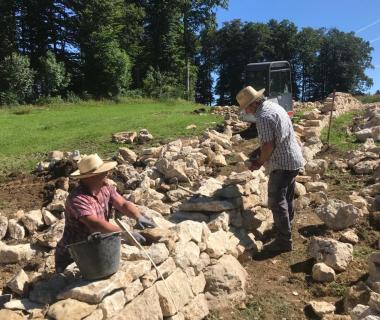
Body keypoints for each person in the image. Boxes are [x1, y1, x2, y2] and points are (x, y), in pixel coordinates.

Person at [55, 154, 156, 272]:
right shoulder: (77, 199)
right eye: (103, 172)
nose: (107, 174)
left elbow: (123, 204)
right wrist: (125, 234)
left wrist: (138, 216)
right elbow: (95, 225)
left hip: (96, 248)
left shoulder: (105, 188)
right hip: (74, 254)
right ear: (91, 177)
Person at [236, 86, 305, 253]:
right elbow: (274, 138)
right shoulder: (274, 106)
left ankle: (284, 241)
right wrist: (259, 153)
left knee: (275, 201)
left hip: (282, 164)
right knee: (287, 195)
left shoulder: (263, 117)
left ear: (252, 105)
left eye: (246, 108)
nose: (247, 112)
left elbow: (268, 145)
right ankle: (286, 225)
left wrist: (258, 162)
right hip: (293, 158)